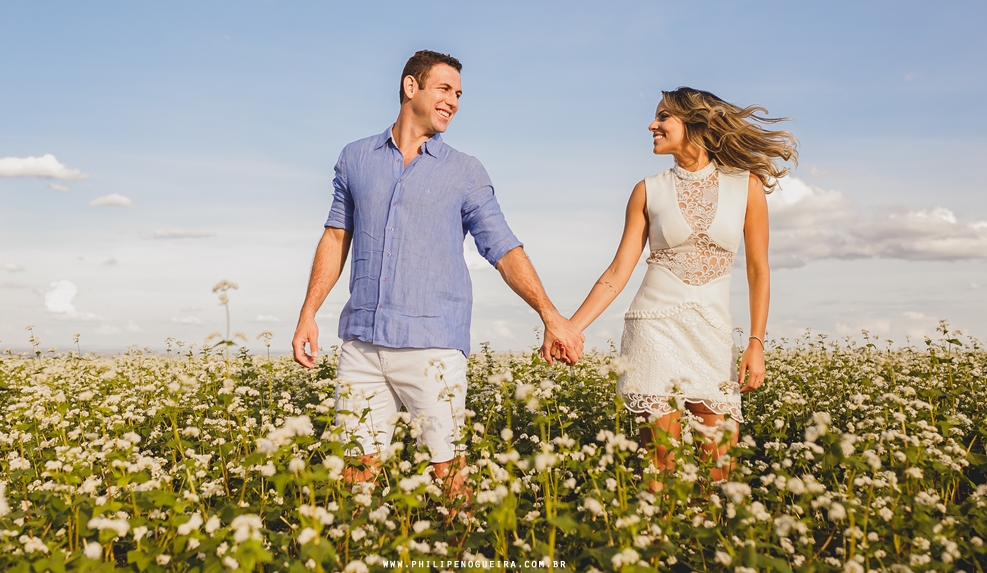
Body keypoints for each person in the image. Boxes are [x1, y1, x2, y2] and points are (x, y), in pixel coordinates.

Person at [291, 50, 584, 496]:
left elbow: (503, 247)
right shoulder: (354, 158)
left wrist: (550, 314)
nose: (454, 101)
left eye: (459, 94)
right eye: (445, 89)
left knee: (450, 473)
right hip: (362, 345)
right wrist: (308, 312)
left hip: (433, 347)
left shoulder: (466, 171)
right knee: (356, 470)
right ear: (412, 87)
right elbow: (335, 237)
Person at [562, 87, 797, 484]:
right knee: (660, 467)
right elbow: (618, 272)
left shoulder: (747, 186)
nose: (651, 125)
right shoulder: (647, 190)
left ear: (694, 123)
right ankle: (657, 543)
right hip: (653, 330)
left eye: (662, 117)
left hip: (712, 334)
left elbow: (759, 270)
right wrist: (570, 327)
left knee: (720, 467)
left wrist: (756, 343)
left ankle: (708, 544)